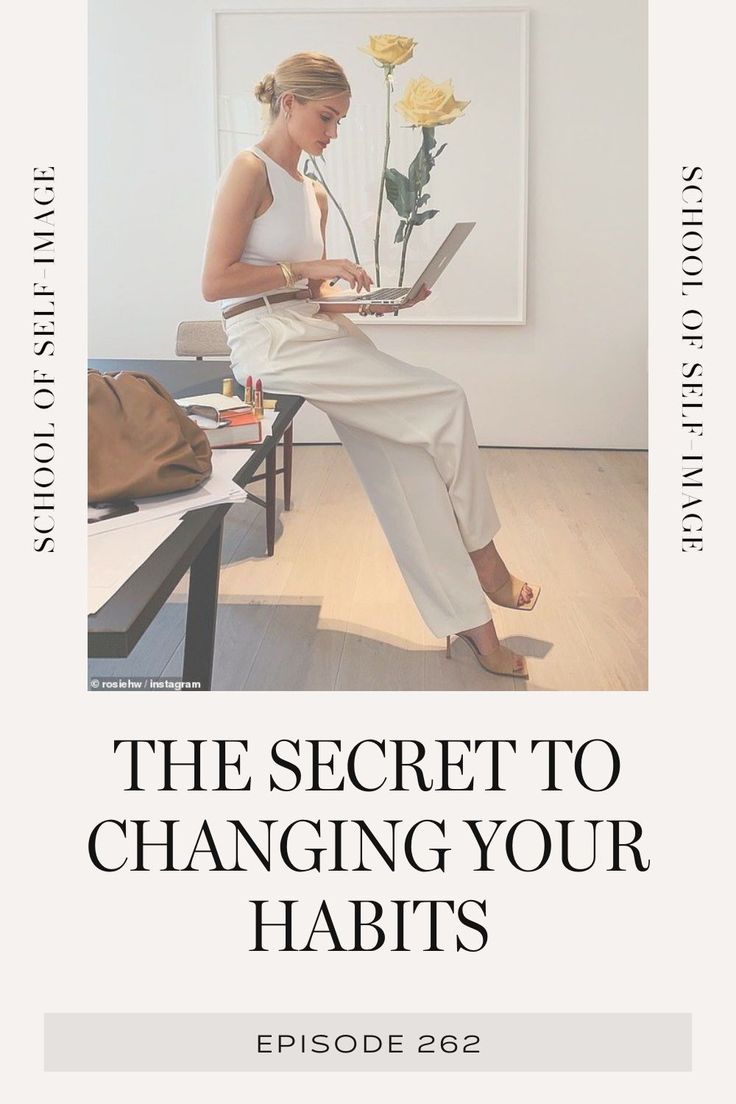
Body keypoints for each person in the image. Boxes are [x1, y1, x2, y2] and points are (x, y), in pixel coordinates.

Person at [201, 52, 540, 679]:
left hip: (314, 327)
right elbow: (215, 283)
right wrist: (309, 271)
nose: (332, 133)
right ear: (289, 104)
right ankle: (485, 557)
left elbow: (311, 293)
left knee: (409, 461)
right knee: (444, 399)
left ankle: (474, 630)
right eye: (326, 118)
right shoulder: (249, 171)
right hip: (267, 340)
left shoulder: (313, 192)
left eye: (340, 122)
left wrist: (369, 300)